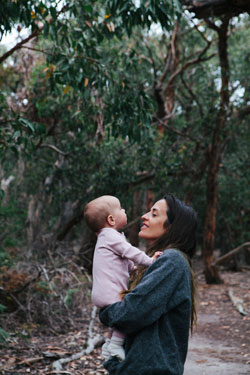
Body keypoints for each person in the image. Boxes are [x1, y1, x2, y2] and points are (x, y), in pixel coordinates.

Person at [99, 193, 197, 375]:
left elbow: (131, 313)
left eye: (154, 214)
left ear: (172, 227)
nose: (144, 216)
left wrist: (104, 311)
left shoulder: (172, 261)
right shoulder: (159, 261)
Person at [84, 195, 162, 361]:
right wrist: (150, 261)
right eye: (121, 209)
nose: (124, 210)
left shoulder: (107, 238)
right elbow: (131, 252)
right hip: (109, 292)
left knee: (116, 320)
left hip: (103, 292)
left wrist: (134, 269)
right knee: (125, 316)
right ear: (111, 219)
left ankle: (108, 345)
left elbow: (124, 261)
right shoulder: (110, 236)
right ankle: (115, 345)